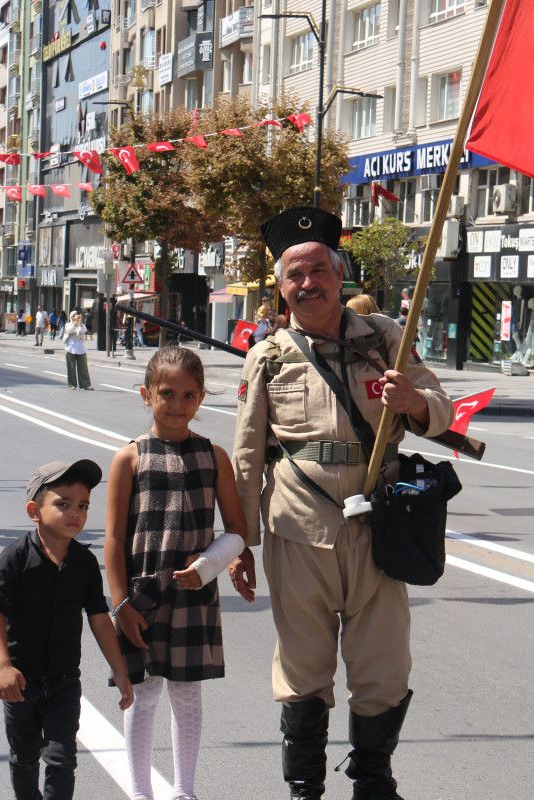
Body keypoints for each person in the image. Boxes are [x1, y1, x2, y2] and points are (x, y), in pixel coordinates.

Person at [232, 207, 452, 799]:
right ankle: (305, 786)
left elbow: (442, 410)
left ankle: (373, 780)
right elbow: (248, 454)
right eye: (295, 276)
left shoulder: (383, 338)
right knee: (302, 666)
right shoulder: (269, 355)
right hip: (298, 528)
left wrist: (412, 402)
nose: (308, 284)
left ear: (338, 274)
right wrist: (241, 542)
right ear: (281, 287)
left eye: (317, 271)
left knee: (384, 665)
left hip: (379, 524)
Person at [105, 347, 254, 800]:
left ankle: (184, 791)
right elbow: (113, 539)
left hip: (194, 596)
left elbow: (238, 530)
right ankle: (140, 791)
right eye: (166, 393)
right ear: (146, 393)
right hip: (143, 596)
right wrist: (120, 605)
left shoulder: (214, 456)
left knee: (187, 696)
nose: (177, 404)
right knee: (144, 693)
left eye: (189, 395)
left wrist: (211, 565)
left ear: (201, 397)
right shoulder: (129, 458)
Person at [0, 460, 133, 800]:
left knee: (62, 759)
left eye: (83, 506)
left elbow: (99, 617)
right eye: (63, 504)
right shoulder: (14, 560)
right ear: (34, 511)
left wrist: (120, 669)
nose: (75, 513)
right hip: (22, 684)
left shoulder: (83, 563)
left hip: (64, 683)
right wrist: (2, 666)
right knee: (24, 758)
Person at [62, 311, 93, 390]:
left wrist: (80, 322)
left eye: (77, 315)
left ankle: (86, 385)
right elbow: (69, 331)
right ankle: (72, 384)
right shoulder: (68, 324)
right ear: (70, 317)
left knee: (83, 368)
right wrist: (75, 323)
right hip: (70, 348)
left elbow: (83, 331)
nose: (76, 316)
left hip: (81, 349)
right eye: (73, 315)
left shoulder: (81, 324)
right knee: (71, 368)